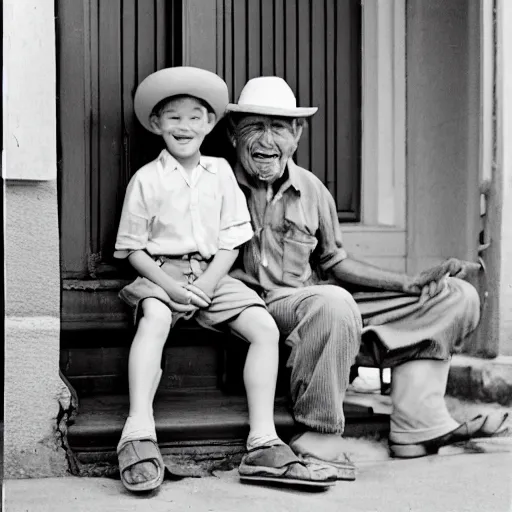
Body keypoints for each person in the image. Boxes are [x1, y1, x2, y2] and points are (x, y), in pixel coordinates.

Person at [225, 76, 509, 480]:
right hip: (262, 308)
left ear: (298, 134)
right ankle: (318, 434)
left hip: (322, 304)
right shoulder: (216, 183)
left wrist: (408, 284)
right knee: (332, 302)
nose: (267, 140)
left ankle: (418, 422)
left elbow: (335, 262)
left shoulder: (312, 189)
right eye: (255, 126)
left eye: (280, 128)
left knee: (456, 295)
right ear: (234, 133)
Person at [113, 67, 337, 492]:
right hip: (162, 272)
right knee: (155, 321)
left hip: (214, 274)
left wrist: (211, 283)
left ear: (212, 124)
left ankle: (263, 440)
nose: (184, 126)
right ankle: (138, 430)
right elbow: (133, 249)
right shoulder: (146, 179)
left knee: (265, 328)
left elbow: (233, 241)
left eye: (195, 117)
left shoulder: (220, 174)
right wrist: (172, 286)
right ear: (156, 124)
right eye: (173, 117)